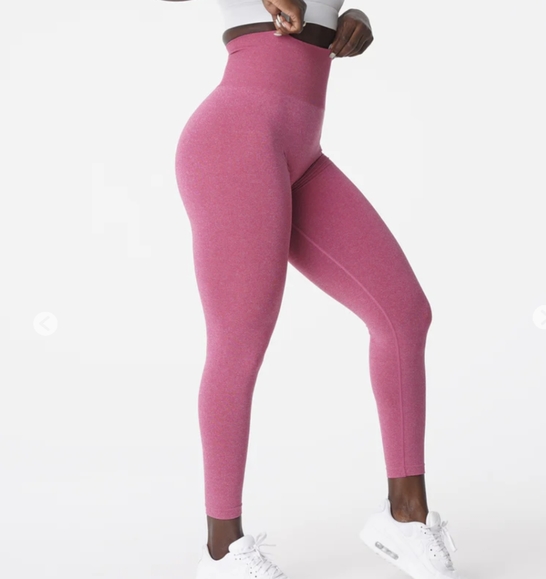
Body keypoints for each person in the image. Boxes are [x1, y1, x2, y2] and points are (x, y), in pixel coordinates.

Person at [166, 1, 463, 577]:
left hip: (302, 154)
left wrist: (356, 17)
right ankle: (222, 551)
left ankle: (406, 515)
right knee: (239, 343)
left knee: (404, 315)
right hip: (234, 141)